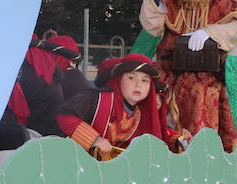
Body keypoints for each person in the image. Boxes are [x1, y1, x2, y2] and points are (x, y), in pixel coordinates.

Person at [140, 0, 237, 151]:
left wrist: (209, 32)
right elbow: (152, 26)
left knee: (199, 94)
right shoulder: (171, 1)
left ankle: (199, 153)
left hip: (206, 75)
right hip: (168, 70)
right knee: (142, 87)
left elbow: (234, 29)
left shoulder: (224, 1)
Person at [57, 54, 188, 158]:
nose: (138, 84)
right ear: (119, 80)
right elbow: (64, 114)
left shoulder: (142, 113)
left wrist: (182, 140)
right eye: (131, 78)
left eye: (145, 80)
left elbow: (160, 141)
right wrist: (94, 140)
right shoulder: (98, 98)